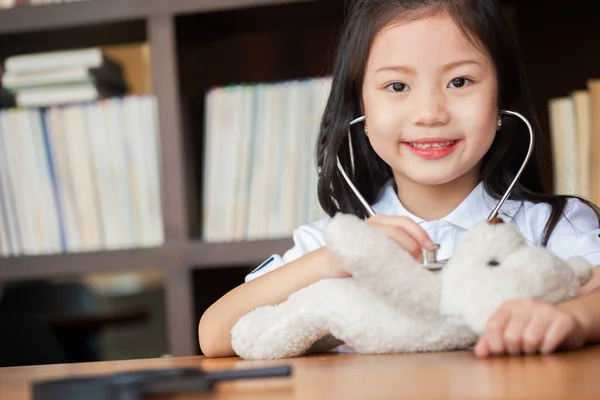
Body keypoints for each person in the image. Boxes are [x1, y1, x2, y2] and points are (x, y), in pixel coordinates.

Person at [198, 0, 600, 359]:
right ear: (362, 111)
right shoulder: (333, 243)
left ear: (501, 99)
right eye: (397, 86)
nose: (429, 113)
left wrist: (572, 320)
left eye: (459, 81)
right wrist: (334, 261)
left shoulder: (550, 227)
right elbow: (214, 335)